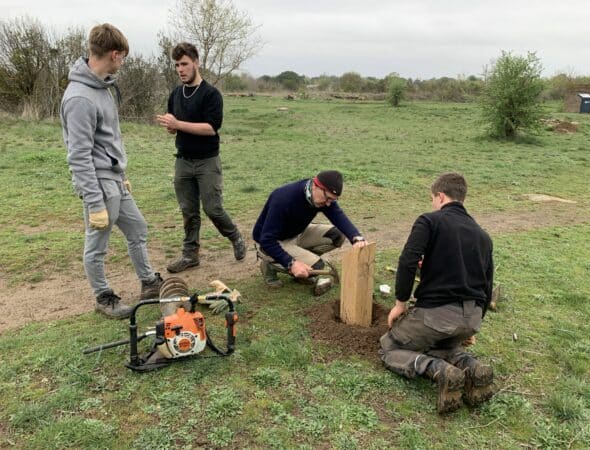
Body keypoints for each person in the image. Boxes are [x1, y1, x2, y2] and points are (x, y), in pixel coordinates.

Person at [61, 24, 163, 319]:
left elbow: (106, 139)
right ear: (115, 54)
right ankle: (103, 297)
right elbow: (79, 156)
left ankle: (149, 283)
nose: (123, 63)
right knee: (97, 245)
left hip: (114, 179)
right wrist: (94, 202)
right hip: (99, 185)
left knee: (137, 229)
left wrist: (121, 174)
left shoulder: (103, 88)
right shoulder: (80, 98)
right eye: (123, 58)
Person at [379, 172, 494, 414]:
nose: (432, 203)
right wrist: (471, 326)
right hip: (471, 317)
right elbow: (487, 284)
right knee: (436, 342)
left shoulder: (429, 221)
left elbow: (408, 260)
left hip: (437, 315)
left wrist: (400, 303)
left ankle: (437, 369)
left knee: (389, 346)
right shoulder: (483, 236)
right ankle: (470, 366)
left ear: (440, 196)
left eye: (433, 198)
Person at [156, 42, 246, 273]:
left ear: (196, 63)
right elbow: (175, 126)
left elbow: (211, 128)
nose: (180, 69)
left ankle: (235, 236)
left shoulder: (211, 94)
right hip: (183, 160)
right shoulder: (175, 94)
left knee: (213, 208)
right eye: (177, 65)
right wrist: (171, 127)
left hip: (207, 161)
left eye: (184, 64)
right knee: (189, 211)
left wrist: (178, 124)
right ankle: (190, 254)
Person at [253, 170, 367, 295]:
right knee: (318, 267)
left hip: (296, 233)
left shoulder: (320, 196)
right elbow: (267, 240)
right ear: (315, 186)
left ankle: (302, 266)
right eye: (328, 198)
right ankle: (270, 264)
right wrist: (291, 263)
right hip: (272, 242)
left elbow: (337, 215)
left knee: (336, 236)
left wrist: (356, 237)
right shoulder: (283, 199)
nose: (328, 203)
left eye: (332, 200)